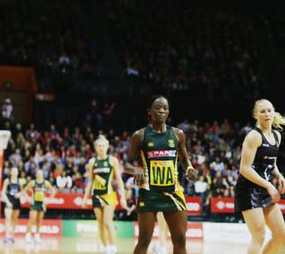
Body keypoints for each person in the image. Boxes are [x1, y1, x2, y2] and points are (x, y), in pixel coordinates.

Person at [127, 95, 198, 254]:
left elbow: (185, 160)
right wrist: (136, 170)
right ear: (149, 112)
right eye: (157, 107)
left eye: (165, 108)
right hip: (149, 192)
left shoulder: (178, 134)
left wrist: (189, 169)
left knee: (180, 239)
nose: (161, 111)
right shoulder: (140, 136)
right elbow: (127, 163)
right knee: (144, 240)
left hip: (173, 192)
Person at [236, 99, 285, 254]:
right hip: (248, 189)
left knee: (281, 235)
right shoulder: (253, 136)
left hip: (264, 188)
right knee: (259, 236)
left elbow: (271, 164)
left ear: (274, 112)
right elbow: (244, 168)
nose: (267, 114)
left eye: (269, 110)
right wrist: (268, 185)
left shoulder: (277, 136)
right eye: (262, 111)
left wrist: (279, 175)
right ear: (256, 115)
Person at [82, 135, 130, 254]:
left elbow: (119, 180)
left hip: (109, 195)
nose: (101, 147)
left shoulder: (112, 161)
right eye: (99, 145)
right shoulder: (92, 162)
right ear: (95, 147)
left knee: (108, 222)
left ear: (107, 147)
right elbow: (91, 182)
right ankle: (106, 247)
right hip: (96, 196)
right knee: (100, 223)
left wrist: (123, 197)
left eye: (103, 145)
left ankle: (113, 247)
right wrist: (84, 198)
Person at [20, 169, 56, 245]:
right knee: (32, 219)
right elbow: (24, 191)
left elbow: (54, 191)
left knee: (40, 220)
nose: (39, 175)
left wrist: (48, 201)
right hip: (34, 203)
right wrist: (29, 199)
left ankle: (37, 236)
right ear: (36, 175)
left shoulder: (46, 183)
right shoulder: (33, 183)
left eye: (41, 173)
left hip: (42, 203)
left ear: (43, 175)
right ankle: (28, 235)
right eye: (38, 173)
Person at [1, 166, 24, 244]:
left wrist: (20, 194)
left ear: (17, 173)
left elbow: (23, 191)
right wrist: (7, 202)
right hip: (9, 201)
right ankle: (7, 236)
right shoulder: (7, 181)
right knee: (8, 218)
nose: (14, 173)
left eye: (16, 171)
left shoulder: (20, 181)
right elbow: (3, 192)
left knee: (14, 219)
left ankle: (12, 236)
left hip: (16, 202)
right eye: (13, 171)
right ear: (11, 172)